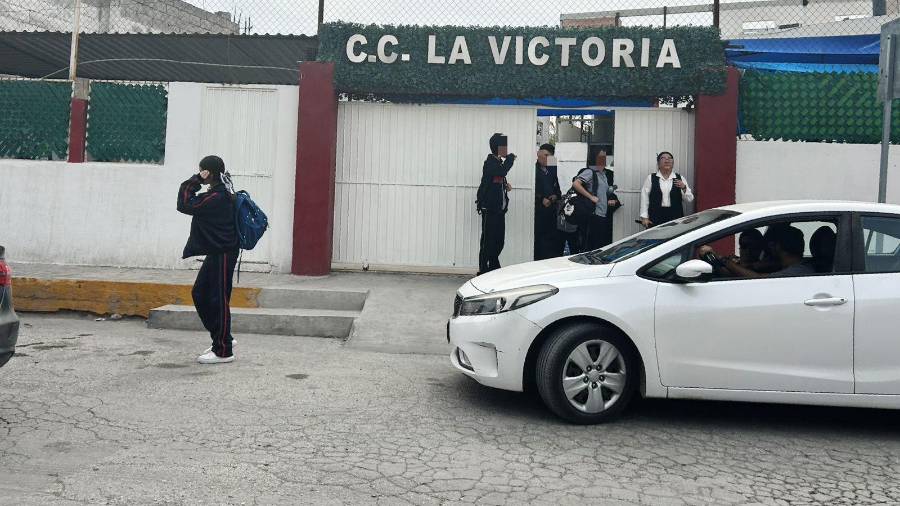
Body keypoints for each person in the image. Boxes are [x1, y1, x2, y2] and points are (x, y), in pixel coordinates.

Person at [177, 155, 239, 364]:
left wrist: (195, 180)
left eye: (202, 170)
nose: (200, 173)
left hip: (223, 252)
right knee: (200, 293)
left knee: (217, 299)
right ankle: (223, 337)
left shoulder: (217, 196)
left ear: (208, 173)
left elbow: (184, 203)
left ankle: (223, 350)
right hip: (217, 251)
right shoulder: (218, 192)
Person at [699, 225, 813, 279]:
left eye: (753, 247)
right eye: (744, 246)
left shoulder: (798, 271)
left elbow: (758, 278)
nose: (748, 251)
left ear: (778, 246)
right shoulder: (775, 265)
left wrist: (723, 259)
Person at [477, 133, 516, 274]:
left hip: (499, 210)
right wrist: (510, 159)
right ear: (498, 148)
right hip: (490, 209)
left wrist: (505, 185)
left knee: (499, 240)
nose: (507, 149)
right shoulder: (490, 163)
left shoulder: (498, 163)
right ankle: (483, 271)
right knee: (488, 241)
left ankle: (493, 267)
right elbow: (501, 171)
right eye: (504, 146)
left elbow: (497, 178)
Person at [572, 150, 620, 251]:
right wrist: (590, 197)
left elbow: (603, 193)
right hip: (593, 214)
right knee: (590, 245)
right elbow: (576, 184)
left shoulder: (603, 175)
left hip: (602, 214)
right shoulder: (590, 172)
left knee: (598, 245)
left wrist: (611, 198)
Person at [639, 151, 694, 229]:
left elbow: (689, 199)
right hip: (655, 216)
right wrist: (644, 217)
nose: (667, 160)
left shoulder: (680, 178)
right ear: (658, 163)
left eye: (669, 158)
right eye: (663, 158)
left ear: (673, 163)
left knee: (674, 236)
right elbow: (645, 198)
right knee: (655, 236)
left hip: (675, 217)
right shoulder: (651, 178)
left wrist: (684, 187)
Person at [534, 143, 562, 260]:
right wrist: (541, 199)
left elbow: (557, 187)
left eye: (550, 157)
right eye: (545, 155)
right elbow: (531, 189)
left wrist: (556, 195)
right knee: (539, 239)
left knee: (551, 239)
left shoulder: (552, 167)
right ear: (538, 153)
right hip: (538, 210)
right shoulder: (533, 168)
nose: (547, 159)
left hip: (551, 210)